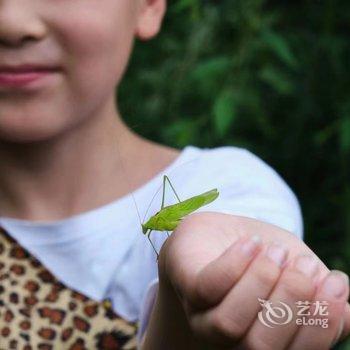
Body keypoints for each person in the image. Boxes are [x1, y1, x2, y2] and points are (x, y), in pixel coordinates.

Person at [0, 0, 348, 349]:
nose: (11, 23)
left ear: (149, 6)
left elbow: (216, 240)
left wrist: (190, 284)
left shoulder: (234, 185)